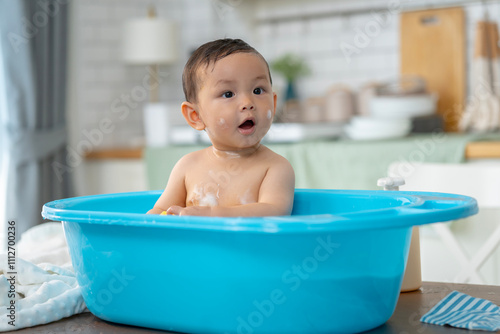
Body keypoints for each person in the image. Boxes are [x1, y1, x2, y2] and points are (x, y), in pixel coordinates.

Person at [147, 38, 295, 216]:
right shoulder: (187, 166)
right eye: (228, 94)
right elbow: (161, 210)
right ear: (196, 116)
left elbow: (274, 210)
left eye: (257, 90)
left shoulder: (275, 167)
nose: (247, 103)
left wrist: (211, 214)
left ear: (274, 102)